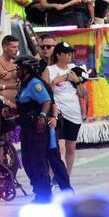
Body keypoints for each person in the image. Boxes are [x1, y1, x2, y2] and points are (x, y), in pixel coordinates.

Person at [15, 54, 58, 201]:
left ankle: (45, 194)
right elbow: (24, 106)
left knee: (38, 161)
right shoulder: (24, 84)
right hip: (26, 128)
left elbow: (46, 101)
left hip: (37, 129)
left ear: (27, 69)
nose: (17, 71)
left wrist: (42, 116)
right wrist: (11, 111)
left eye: (19, 68)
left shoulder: (34, 83)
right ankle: (38, 189)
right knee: (27, 161)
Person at [46, 43, 84, 177]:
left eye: (70, 53)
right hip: (58, 113)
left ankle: (67, 176)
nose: (69, 56)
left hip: (74, 112)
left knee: (71, 148)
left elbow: (83, 94)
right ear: (58, 55)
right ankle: (58, 176)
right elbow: (45, 93)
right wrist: (53, 83)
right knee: (59, 148)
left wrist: (77, 81)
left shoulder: (75, 69)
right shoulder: (49, 70)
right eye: (66, 53)